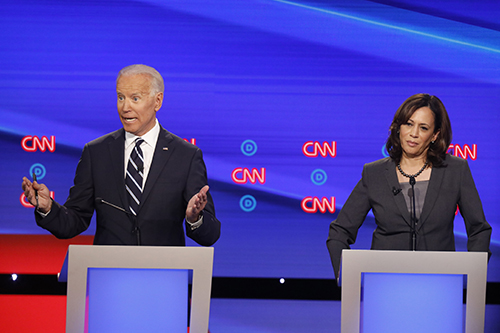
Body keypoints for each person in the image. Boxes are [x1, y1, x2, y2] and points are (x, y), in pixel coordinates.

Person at [22, 64, 220, 246]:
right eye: (120, 97)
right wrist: (48, 208)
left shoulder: (185, 156)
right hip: (107, 274)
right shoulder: (96, 152)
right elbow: (74, 221)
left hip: (163, 276)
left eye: (135, 98)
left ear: (157, 101)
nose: (125, 108)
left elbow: (210, 234)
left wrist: (195, 219)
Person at [326, 93, 491, 281]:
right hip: (384, 283)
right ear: (398, 128)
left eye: (423, 128)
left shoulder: (455, 170)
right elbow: (340, 231)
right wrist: (345, 273)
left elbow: (479, 229)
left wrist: (475, 274)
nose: (414, 133)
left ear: (435, 135)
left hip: (440, 284)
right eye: (409, 124)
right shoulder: (375, 173)